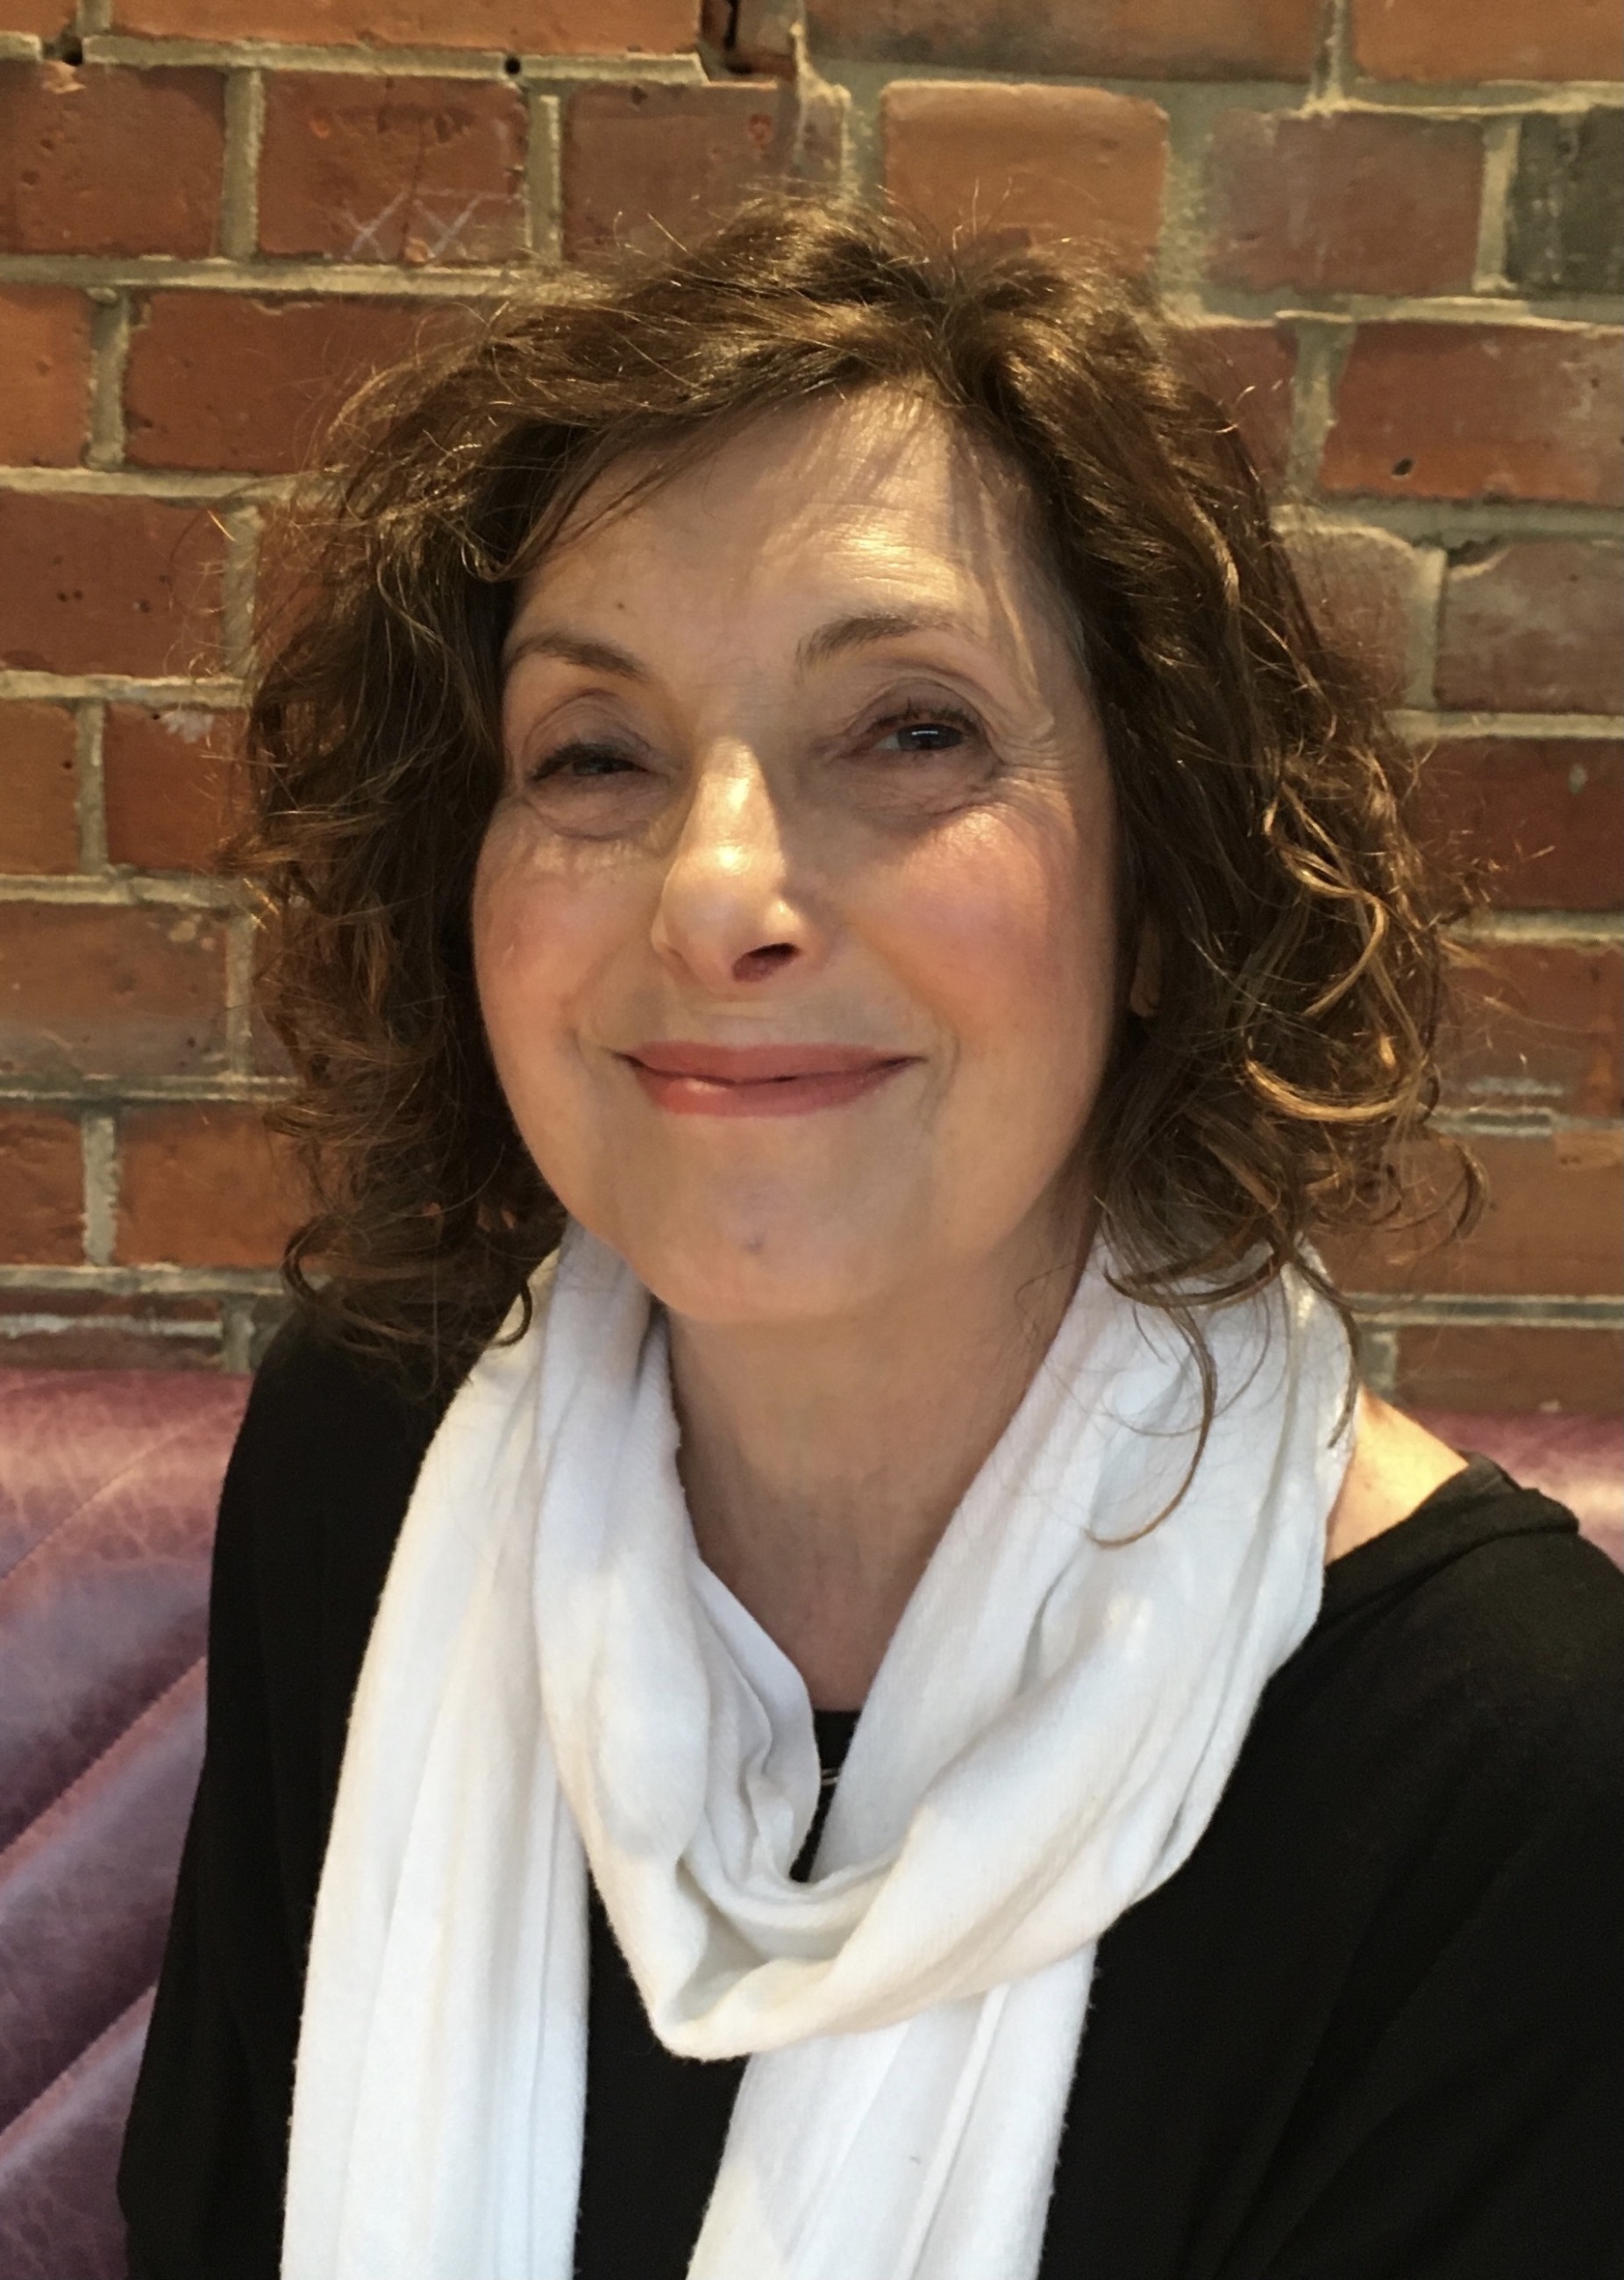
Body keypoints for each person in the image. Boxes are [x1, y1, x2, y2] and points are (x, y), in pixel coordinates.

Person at [119, 199, 1624, 2280]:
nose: (714, 893)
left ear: (1161, 888)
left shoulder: (1511, 1768)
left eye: (911, 729)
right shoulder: (365, 1454)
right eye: (592, 752)